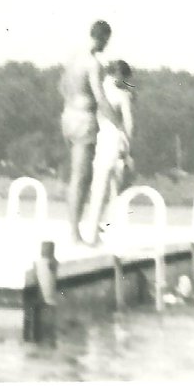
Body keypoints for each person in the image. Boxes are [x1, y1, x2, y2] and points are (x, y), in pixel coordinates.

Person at [57, 19, 112, 244]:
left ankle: (73, 230)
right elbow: (100, 97)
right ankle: (74, 233)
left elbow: (61, 86)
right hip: (84, 119)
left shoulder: (72, 58)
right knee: (82, 177)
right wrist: (117, 122)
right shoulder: (93, 63)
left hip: (67, 116)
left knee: (76, 176)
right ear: (104, 38)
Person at [81, 60, 136, 244]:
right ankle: (112, 230)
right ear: (121, 76)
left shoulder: (100, 89)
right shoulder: (122, 95)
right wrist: (128, 148)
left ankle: (92, 231)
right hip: (116, 140)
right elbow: (128, 124)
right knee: (115, 191)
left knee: (99, 189)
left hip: (101, 139)